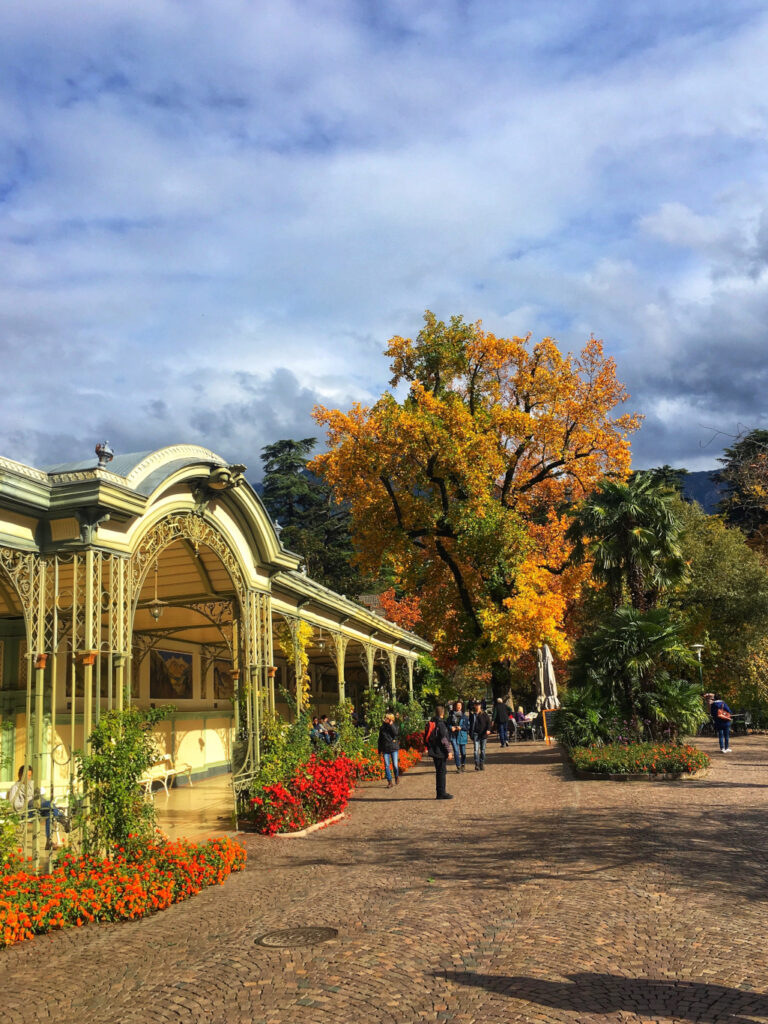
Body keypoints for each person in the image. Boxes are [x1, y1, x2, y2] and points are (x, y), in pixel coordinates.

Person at [8, 765, 70, 850]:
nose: (28, 778)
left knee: (50, 812)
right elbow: (14, 804)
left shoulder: (32, 784)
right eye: (26, 775)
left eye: (29, 775)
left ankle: (49, 841)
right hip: (26, 811)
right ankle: (63, 819)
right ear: (20, 775)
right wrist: (26, 803)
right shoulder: (15, 787)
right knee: (48, 805)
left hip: (37, 808)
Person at [426, 705, 454, 799]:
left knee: (439, 771)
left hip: (434, 750)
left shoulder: (432, 722)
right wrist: (449, 751)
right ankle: (441, 793)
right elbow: (444, 739)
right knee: (442, 772)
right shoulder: (440, 724)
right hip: (440, 751)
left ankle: (440, 792)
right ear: (443, 713)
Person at [377, 712, 400, 788]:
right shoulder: (382, 727)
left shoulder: (395, 725)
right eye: (385, 718)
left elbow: (396, 733)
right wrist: (379, 750)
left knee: (395, 765)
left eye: (387, 718)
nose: (385, 719)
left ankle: (396, 776)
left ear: (390, 719)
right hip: (385, 748)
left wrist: (391, 725)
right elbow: (380, 739)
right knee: (387, 765)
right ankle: (389, 781)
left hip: (393, 747)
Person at [446, 700, 469, 772]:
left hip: (462, 735)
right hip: (453, 736)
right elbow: (447, 724)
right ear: (455, 706)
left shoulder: (464, 716)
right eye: (457, 705)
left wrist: (461, 728)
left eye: (460, 705)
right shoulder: (450, 715)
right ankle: (458, 766)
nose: (458, 707)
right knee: (456, 751)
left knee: (463, 752)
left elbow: (468, 727)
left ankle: (463, 764)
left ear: (462, 707)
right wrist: (451, 727)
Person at [469, 701, 491, 770]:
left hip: (483, 734)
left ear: (480, 706)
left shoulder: (484, 714)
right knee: (476, 750)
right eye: (476, 705)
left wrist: (488, 730)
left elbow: (489, 723)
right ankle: (476, 764)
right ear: (474, 706)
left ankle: (482, 763)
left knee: (482, 750)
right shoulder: (473, 715)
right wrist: (470, 734)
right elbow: (470, 725)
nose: (477, 706)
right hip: (476, 734)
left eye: (479, 705)